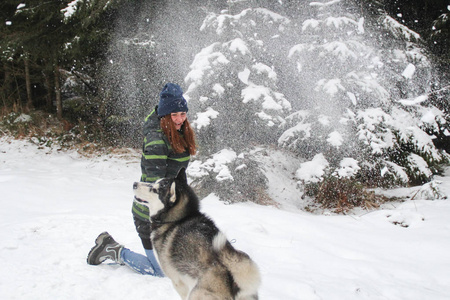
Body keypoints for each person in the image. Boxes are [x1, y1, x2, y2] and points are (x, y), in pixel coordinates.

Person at [87, 83, 197, 276]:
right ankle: (112, 249)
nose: (180, 119)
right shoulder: (157, 140)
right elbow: (155, 186)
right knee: (162, 272)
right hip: (149, 216)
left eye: (183, 113)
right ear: (165, 115)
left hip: (169, 209)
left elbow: (178, 173)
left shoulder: (178, 131)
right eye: (174, 115)